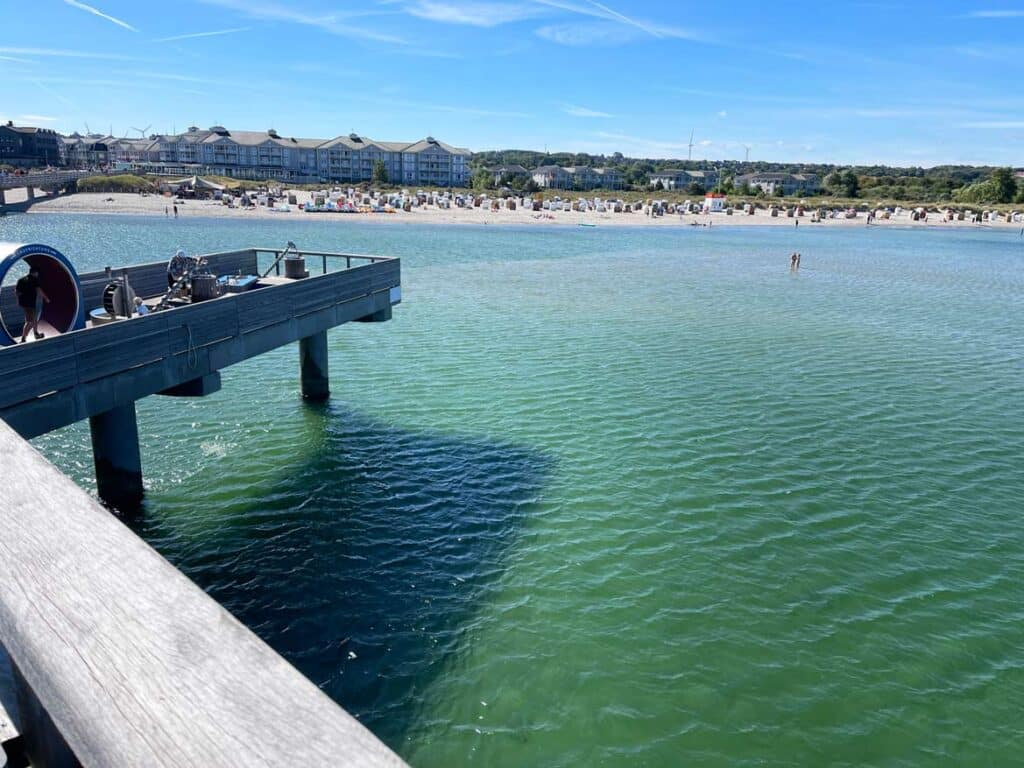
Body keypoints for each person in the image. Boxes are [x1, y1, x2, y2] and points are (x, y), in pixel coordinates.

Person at [17, 267, 50, 343]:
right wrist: (46, 298)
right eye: (37, 273)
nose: (37, 275)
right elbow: (39, 291)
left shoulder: (21, 280)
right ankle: (23, 338)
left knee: (34, 319)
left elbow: (17, 292)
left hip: (25, 303)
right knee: (29, 322)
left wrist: (21, 299)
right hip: (29, 303)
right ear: (35, 273)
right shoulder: (34, 280)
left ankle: (36, 334)